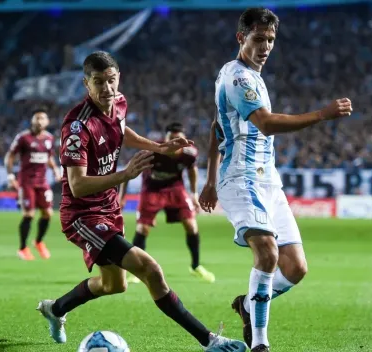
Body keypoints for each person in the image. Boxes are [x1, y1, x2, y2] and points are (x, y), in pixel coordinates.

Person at [36, 51, 248, 352]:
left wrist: (159, 147)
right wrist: (126, 174)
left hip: (108, 208)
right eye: (98, 82)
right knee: (150, 269)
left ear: (118, 78)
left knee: (114, 284)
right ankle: (210, 341)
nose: (107, 88)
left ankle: (54, 309)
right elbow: (77, 185)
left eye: (111, 80)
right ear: (86, 84)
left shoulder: (119, 103)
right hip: (82, 215)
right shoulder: (76, 127)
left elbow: (121, 132)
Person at [199, 8, 353, 352]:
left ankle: (250, 303)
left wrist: (207, 180)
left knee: (296, 268)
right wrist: (322, 114)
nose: (266, 46)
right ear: (241, 38)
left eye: (270, 40)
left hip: (269, 181)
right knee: (266, 253)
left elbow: (215, 127)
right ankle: (261, 344)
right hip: (240, 179)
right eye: (258, 39)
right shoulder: (238, 77)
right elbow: (266, 123)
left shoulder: (252, 75)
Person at [120, 122, 215, 284]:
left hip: (175, 188)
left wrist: (193, 194)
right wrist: (121, 196)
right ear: (166, 139)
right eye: (172, 138)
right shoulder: (152, 152)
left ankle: (196, 266)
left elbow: (192, 171)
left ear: (185, 140)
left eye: (179, 139)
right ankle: (137, 272)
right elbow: (129, 170)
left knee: (192, 225)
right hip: (151, 189)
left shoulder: (189, 153)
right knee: (142, 228)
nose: (175, 142)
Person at [5, 108, 61, 260]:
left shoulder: (49, 138)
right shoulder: (23, 138)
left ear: (47, 122)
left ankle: (39, 241)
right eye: (37, 118)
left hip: (42, 182)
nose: (39, 121)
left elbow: (48, 157)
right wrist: (11, 176)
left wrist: (55, 170)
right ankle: (23, 248)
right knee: (29, 214)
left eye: (43, 118)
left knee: (48, 214)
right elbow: (10, 156)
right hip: (26, 182)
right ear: (32, 121)